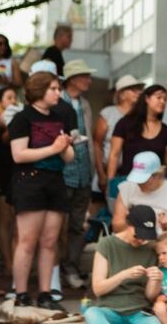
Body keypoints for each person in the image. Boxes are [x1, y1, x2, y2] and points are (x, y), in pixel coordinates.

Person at [7, 70, 75, 310]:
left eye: (59, 89)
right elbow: (18, 154)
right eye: (54, 89)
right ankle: (22, 293)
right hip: (30, 181)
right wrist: (54, 147)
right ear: (39, 90)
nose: (59, 93)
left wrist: (64, 147)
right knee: (27, 241)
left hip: (55, 180)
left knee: (50, 241)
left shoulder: (61, 116)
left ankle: (45, 294)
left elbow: (68, 156)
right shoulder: (22, 118)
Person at [84, 204, 162, 324]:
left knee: (154, 322)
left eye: (145, 236)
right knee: (91, 314)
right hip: (108, 310)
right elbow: (98, 289)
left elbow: (150, 296)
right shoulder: (107, 244)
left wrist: (157, 280)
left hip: (139, 312)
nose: (141, 240)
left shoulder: (151, 249)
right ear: (129, 224)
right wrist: (124, 275)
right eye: (137, 235)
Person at [107, 85, 167, 208]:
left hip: (156, 186)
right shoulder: (125, 124)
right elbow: (114, 154)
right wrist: (111, 183)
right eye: (159, 97)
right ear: (146, 99)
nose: (162, 102)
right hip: (129, 182)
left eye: (164, 99)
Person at [60, 59, 97, 290]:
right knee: (56, 226)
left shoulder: (85, 103)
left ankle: (71, 267)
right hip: (63, 173)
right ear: (72, 78)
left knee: (77, 225)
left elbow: (90, 139)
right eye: (85, 76)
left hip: (84, 172)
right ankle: (55, 271)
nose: (89, 80)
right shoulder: (58, 101)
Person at [94, 75, 144, 200]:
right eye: (133, 90)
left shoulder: (141, 117)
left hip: (132, 175)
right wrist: (101, 174)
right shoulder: (108, 113)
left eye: (139, 89)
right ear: (122, 95)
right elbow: (97, 144)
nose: (138, 93)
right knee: (101, 211)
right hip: (107, 173)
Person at [112, 152, 167, 236]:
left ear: (158, 175)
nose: (139, 183)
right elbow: (116, 226)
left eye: (143, 180)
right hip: (129, 237)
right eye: (136, 178)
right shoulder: (126, 188)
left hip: (158, 242)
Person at [0, 86, 21, 277]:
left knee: (15, 222)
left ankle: (14, 262)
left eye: (15, 97)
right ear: (0, 101)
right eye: (9, 97)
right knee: (4, 220)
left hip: (16, 174)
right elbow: (1, 139)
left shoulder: (19, 117)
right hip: (0, 175)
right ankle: (7, 262)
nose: (13, 100)